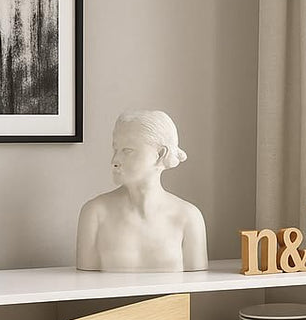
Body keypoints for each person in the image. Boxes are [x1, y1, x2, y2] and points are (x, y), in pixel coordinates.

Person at [76, 110, 208, 272]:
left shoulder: (189, 216)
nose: (115, 160)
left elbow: (198, 282)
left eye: (127, 150)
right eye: (115, 149)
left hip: (176, 299)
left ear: (160, 154)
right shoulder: (95, 213)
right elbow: (85, 283)